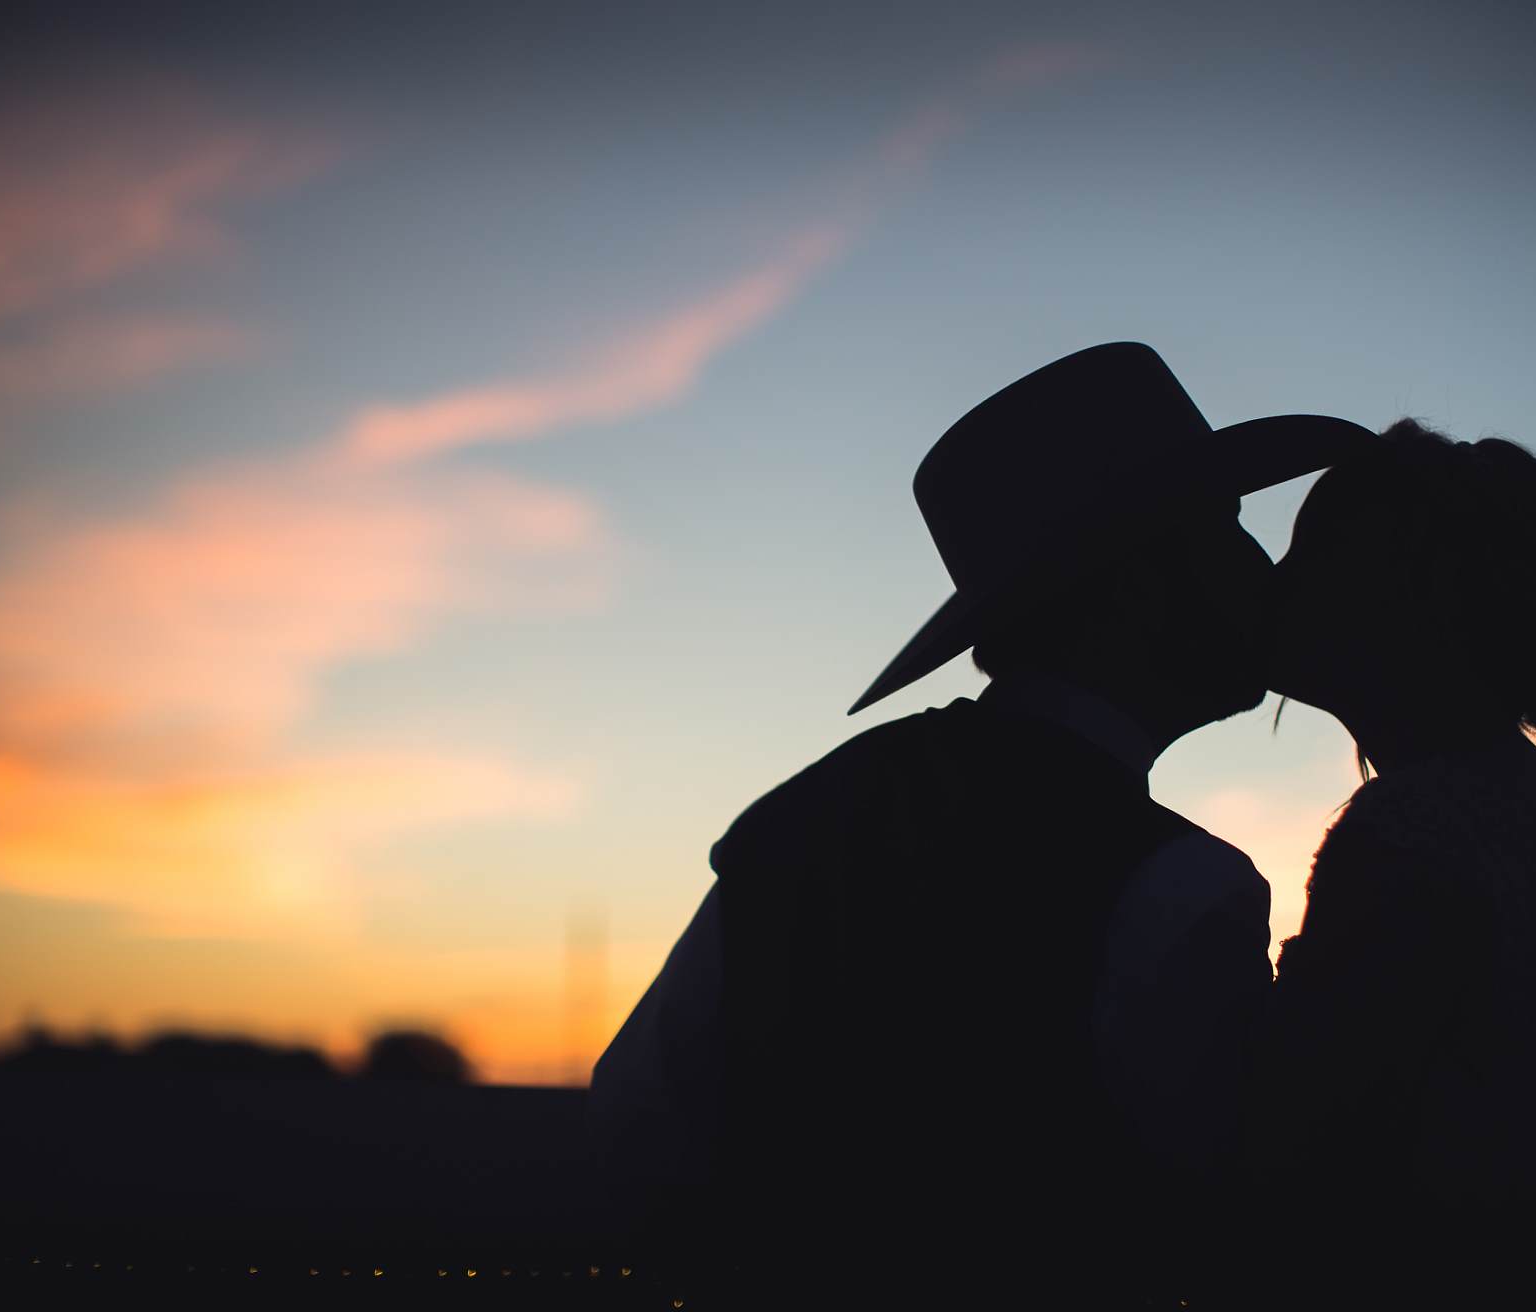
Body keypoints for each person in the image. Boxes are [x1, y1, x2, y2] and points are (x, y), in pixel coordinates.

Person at [586, 342, 1375, 1286]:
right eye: (1224, 528)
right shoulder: (1184, 889)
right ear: (1135, 582)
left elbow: (638, 1125)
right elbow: (1238, 1230)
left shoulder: (804, 819)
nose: (1258, 566)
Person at [1255, 419, 1536, 1221]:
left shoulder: (1410, 832)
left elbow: (1295, 1164)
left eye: (1314, 553)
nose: (1275, 579)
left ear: (1404, 593)